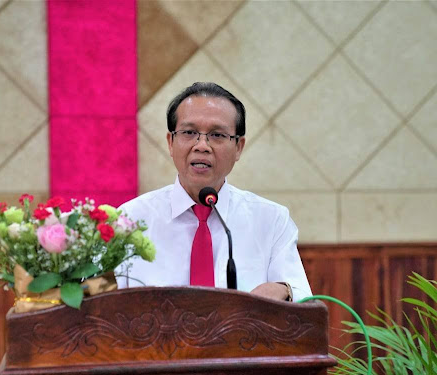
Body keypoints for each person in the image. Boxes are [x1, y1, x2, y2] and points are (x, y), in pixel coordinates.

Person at [117, 82, 312, 302]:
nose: (202, 145)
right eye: (189, 132)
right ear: (171, 143)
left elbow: (303, 299)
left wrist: (285, 290)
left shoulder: (271, 220)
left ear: (238, 147)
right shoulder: (129, 220)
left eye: (217, 135)